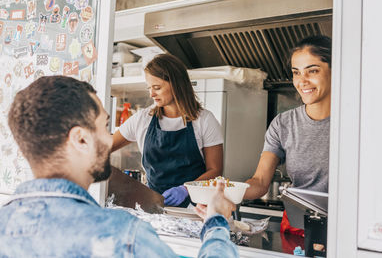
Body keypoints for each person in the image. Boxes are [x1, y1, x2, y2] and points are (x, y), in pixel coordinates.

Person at [0, 76, 238, 257]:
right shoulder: (123, 235)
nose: (109, 139)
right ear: (81, 139)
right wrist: (216, 222)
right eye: (104, 127)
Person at [244, 35, 332, 235]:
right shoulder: (282, 124)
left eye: (313, 71)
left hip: (346, 231)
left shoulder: (356, 123)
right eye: (296, 72)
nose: (302, 81)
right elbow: (259, 182)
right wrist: (226, 192)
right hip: (298, 229)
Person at [112, 54, 224, 207]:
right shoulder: (143, 119)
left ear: (176, 84)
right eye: (149, 88)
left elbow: (215, 170)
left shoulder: (204, 120)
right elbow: (105, 147)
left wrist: (186, 189)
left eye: (157, 88)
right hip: (153, 209)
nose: (151, 94)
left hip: (196, 209)